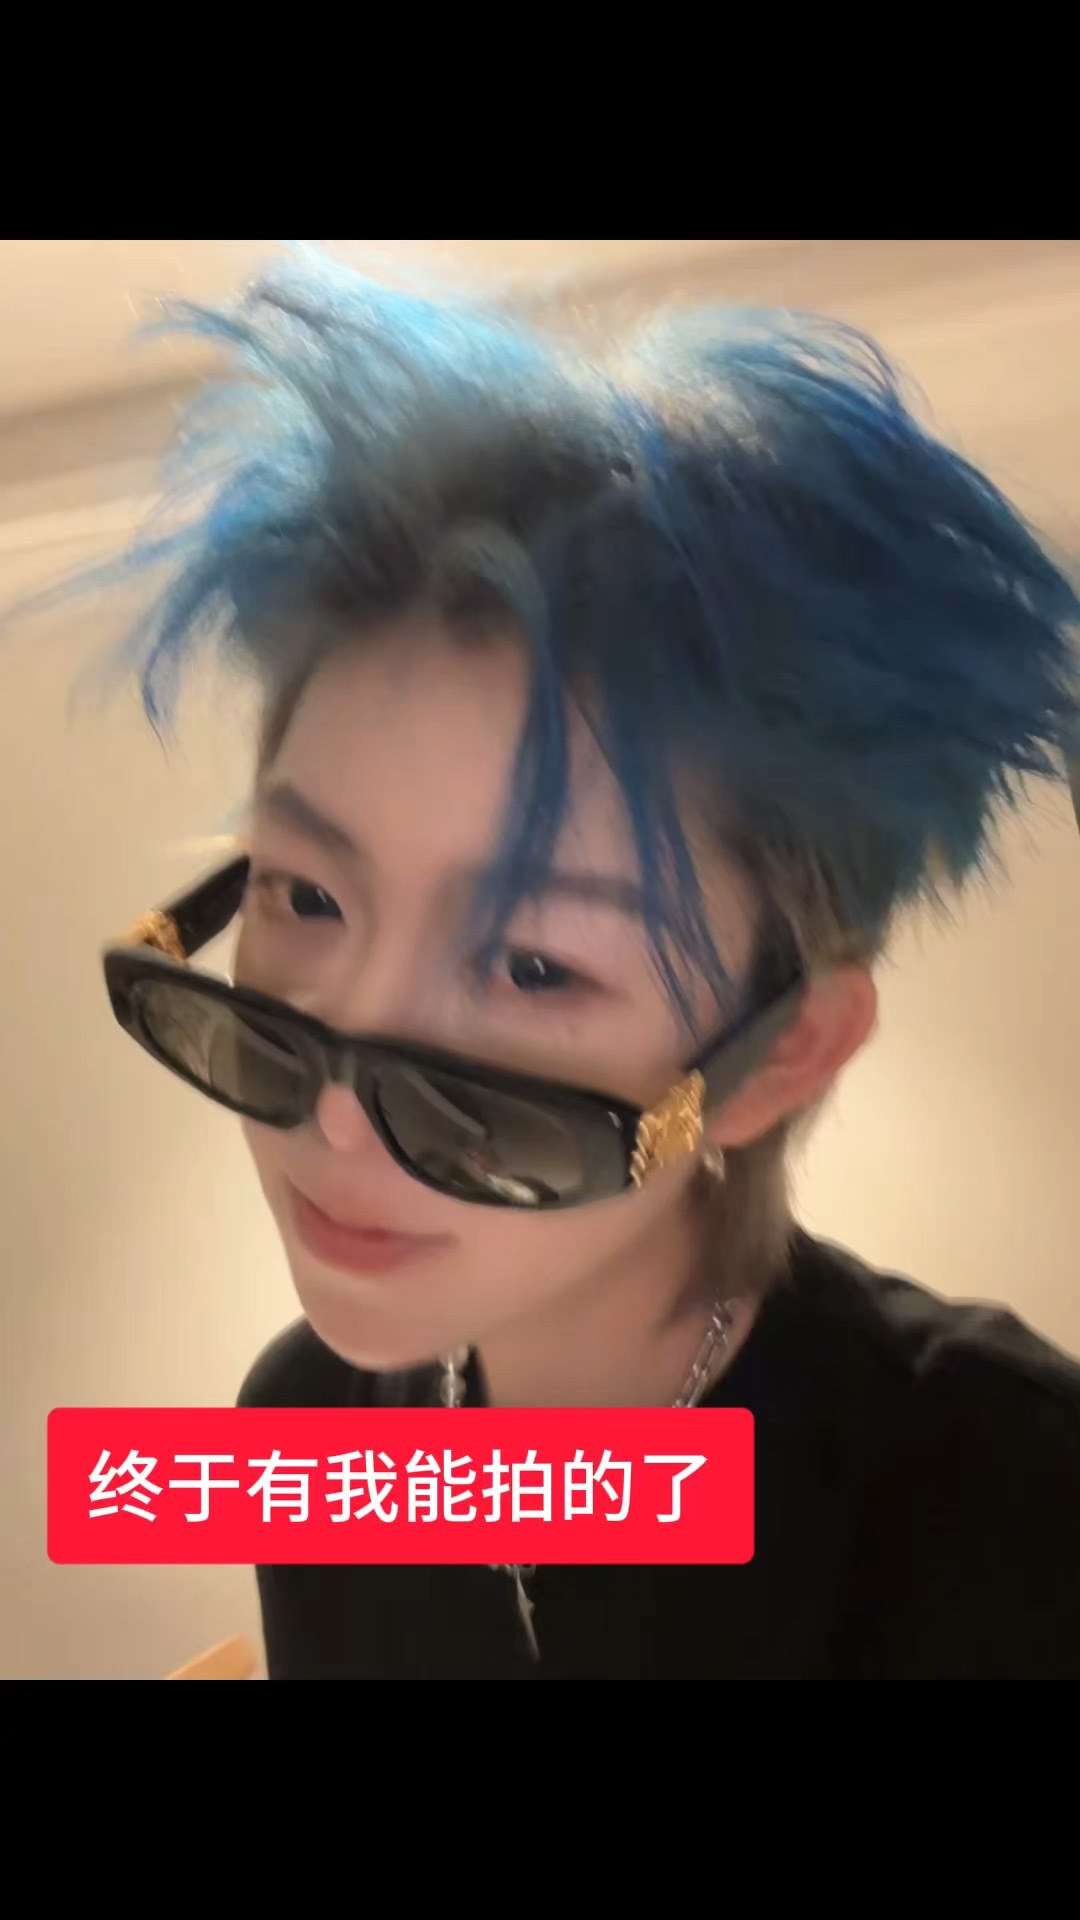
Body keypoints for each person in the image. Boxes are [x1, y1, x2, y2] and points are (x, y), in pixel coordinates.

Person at [101, 255, 1080, 1679]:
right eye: (305, 893)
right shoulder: (308, 1428)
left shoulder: (1010, 1505)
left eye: (534, 966)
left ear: (784, 1052)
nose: (330, 1119)